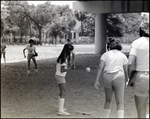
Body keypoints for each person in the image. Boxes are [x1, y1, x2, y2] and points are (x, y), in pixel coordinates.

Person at [94, 38, 128, 118]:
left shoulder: (105, 55)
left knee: (108, 100)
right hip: (119, 76)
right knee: (120, 102)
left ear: (109, 46)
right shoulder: (122, 55)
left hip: (107, 76)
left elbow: (100, 67)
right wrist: (128, 79)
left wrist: (97, 80)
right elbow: (126, 69)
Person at [128, 12, 149, 118]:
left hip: (142, 77)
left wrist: (130, 78)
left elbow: (130, 62)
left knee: (141, 111)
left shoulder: (137, 43)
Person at [55, 43, 75, 116]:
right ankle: (61, 110)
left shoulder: (62, 57)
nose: (72, 52)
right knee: (63, 92)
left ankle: (60, 107)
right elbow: (62, 70)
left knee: (61, 92)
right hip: (60, 76)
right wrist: (70, 68)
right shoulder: (63, 59)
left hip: (58, 75)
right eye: (71, 51)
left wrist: (70, 65)